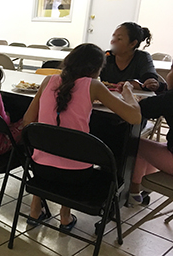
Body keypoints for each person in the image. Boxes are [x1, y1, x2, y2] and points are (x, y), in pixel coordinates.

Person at [22, 43, 141, 231]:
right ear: (95, 69)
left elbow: (28, 121)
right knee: (72, 150)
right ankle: (65, 217)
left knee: (52, 145)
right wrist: (128, 92)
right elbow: (134, 117)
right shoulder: (93, 86)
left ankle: (35, 212)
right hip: (76, 176)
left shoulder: (48, 81)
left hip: (40, 169)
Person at [129, 63, 173, 205]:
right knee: (152, 146)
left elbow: (141, 109)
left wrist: (128, 93)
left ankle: (133, 192)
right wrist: (160, 87)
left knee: (136, 143)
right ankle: (145, 186)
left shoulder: (169, 99)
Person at [100, 22, 166, 93]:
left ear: (133, 44)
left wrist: (149, 83)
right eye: (114, 37)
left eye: (119, 39)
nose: (112, 41)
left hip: (134, 101)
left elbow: (149, 80)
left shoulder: (142, 57)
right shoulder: (106, 57)